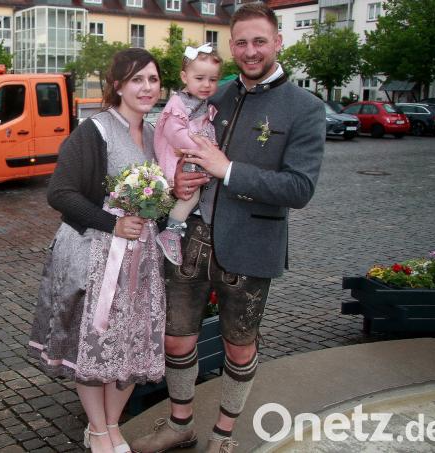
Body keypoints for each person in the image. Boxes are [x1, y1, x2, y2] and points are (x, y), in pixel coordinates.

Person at [131, 3, 325, 453]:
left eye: (260, 41)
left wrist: (228, 169)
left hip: (252, 245)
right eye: (241, 42)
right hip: (190, 239)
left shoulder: (305, 108)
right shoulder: (212, 96)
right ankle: (181, 425)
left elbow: (299, 187)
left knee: (239, 348)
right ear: (231, 45)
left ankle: (223, 434)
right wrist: (177, 179)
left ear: (278, 42)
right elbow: (177, 149)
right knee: (176, 339)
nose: (250, 51)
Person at [28, 48, 166, 453]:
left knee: (129, 345)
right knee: (96, 345)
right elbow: (60, 192)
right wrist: (113, 223)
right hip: (96, 257)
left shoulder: (158, 133)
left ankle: (111, 424)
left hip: (141, 261)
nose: (145, 87)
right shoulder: (96, 130)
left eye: (153, 79)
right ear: (117, 85)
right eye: (136, 79)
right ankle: (97, 429)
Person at [153, 43, 221, 266]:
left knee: (198, 186)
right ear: (184, 76)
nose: (206, 85)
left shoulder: (201, 101)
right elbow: (175, 132)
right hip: (180, 156)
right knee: (190, 190)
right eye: (200, 78)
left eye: (212, 79)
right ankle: (171, 232)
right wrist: (202, 147)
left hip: (193, 153)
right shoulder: (178, 102)